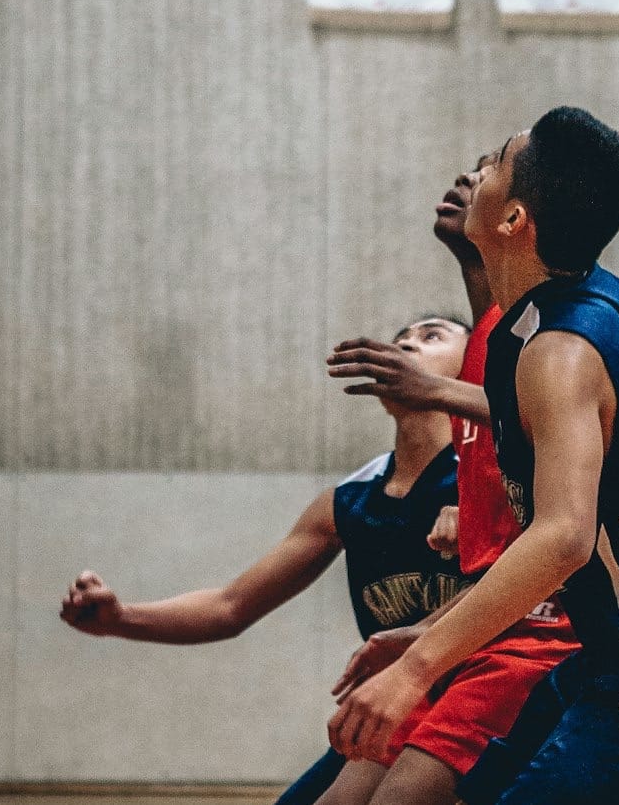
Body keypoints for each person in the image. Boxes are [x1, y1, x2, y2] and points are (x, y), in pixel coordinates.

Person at [326, 106, 619, 803]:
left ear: (513, 221)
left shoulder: (561, 350)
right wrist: (430, 631)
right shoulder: (594, 302)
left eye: (497, 164)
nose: (478, 174)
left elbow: (563, 537)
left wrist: (418, 666)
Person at [62, 314, 469, 805]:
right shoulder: (349, 501)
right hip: (392, 706)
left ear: (474, 371)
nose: (404, 345)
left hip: (482, 701)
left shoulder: (497, 480)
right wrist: (122, 619)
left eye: (431, 336)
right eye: (400, 338)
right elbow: (231, 606)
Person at [316, 155, 579, 805]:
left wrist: (421, 651)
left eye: (488, 172)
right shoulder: (491, 340)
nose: (467, 179)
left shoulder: (556, 327)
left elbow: (559, 524)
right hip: (470, 629)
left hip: (544, 632)